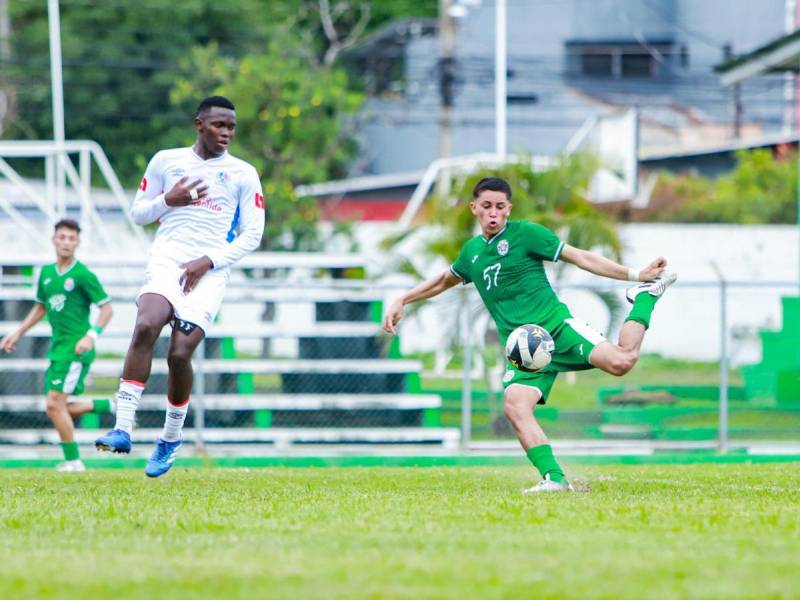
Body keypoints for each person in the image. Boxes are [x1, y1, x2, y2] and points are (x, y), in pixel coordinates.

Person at [382, 177, 676, 493]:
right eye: (486, 206)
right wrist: (403, 299)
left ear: (508, 209)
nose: (493, 213)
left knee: (622, 361)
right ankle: (555, 478)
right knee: (515, 406)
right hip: (523, 351)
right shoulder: (472, 253)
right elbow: (443, 280)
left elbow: (581, 257)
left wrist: (635, 274)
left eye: (500, 206)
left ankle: (644, 296)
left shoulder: (527, 234)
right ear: (474, 208)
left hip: (557, 328)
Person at [94, 96, 265, 477]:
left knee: (179, 354)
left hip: (210, 271)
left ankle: (170, 438)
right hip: (167, 261)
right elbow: (139, 214)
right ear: (199, 124)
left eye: (231, 127)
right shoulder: (166, 161)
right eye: (219, 125)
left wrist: (209, 261)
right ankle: (123, 428)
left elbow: (253, 234)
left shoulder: (243, 173)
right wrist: (167, 200)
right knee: (145, 324)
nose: (226, 133)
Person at [1, 219, 114, 472]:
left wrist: (91, 336)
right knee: (55, 406)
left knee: (54, 404)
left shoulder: (82, 274)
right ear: (54, 240)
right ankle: (107, 405)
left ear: (77, 243)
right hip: (58, 348)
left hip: (76, 349)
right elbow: (41, 307)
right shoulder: (46, 274)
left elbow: (107, 308)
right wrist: (17, 332)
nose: (66, 242)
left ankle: (74, 461)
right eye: (62, 237)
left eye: (71, 238)